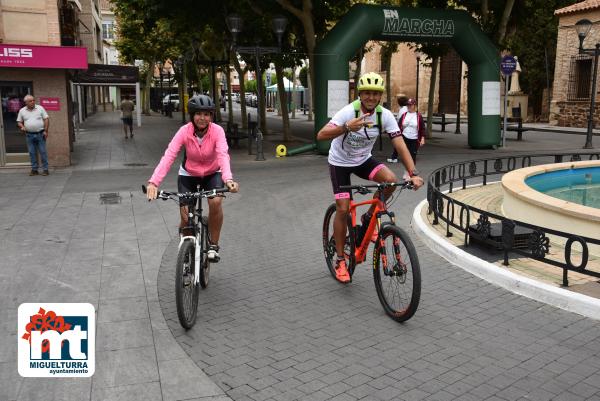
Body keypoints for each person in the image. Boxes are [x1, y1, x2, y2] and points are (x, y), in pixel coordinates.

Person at [316, 72, 424, 283]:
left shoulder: (384, 115)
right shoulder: (348, 112)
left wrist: (413, 173)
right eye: (367, 93)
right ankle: (340, 260)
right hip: (340, 163)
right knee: (343, 209)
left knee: (390, 181)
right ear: (360, 94)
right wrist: (347, 127)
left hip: (363, 160)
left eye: (375, 94)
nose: (371, 98)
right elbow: (321, 135)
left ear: (380, 96)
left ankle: (368, 218)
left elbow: (399, 144)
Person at [145, 95, 239, 262]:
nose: (202, 118)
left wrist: (228, 179)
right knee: (186, 217)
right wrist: (154, 182)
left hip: (213, 173)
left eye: (207, 114)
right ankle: (186, 247)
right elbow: (169, 155)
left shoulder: (217, 131)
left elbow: (223, 155)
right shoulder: (184, 131)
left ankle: (213, 246)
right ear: (192, 115)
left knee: (216, 202)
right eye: (198, 114)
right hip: (188, 175)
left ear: (211, 116)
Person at [16, 95, 50, 176]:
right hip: (29, 135)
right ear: (26, 102)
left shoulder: (40, 108)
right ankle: (34, 169)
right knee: (32, 152)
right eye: (30, 101)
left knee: (43, 152)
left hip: (40, 134)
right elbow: (19, 121)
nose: (33, 102)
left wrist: (46, 130)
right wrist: (22, 126)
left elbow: (46, 119)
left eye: (33, 100)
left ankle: (45, 169)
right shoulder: (22, 111)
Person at [387, 98, 426, 168]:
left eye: (410, 105)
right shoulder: (404, 115)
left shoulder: (418, 116)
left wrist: (422, 138)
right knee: (405, 157)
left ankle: (411, 173)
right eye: (408, 105)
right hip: (404, 137)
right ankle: (407, 172)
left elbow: (422, 128)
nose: (409, 106)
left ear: (414, 106)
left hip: (414, 139)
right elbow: (398, 126)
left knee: (412, 156)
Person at [387, 94, 408, 163]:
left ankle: (394, 157)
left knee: (397, 143)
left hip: (402, 128)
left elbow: (399, 120)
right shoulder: (406, 108)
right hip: (407, 129)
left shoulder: (402, 110)